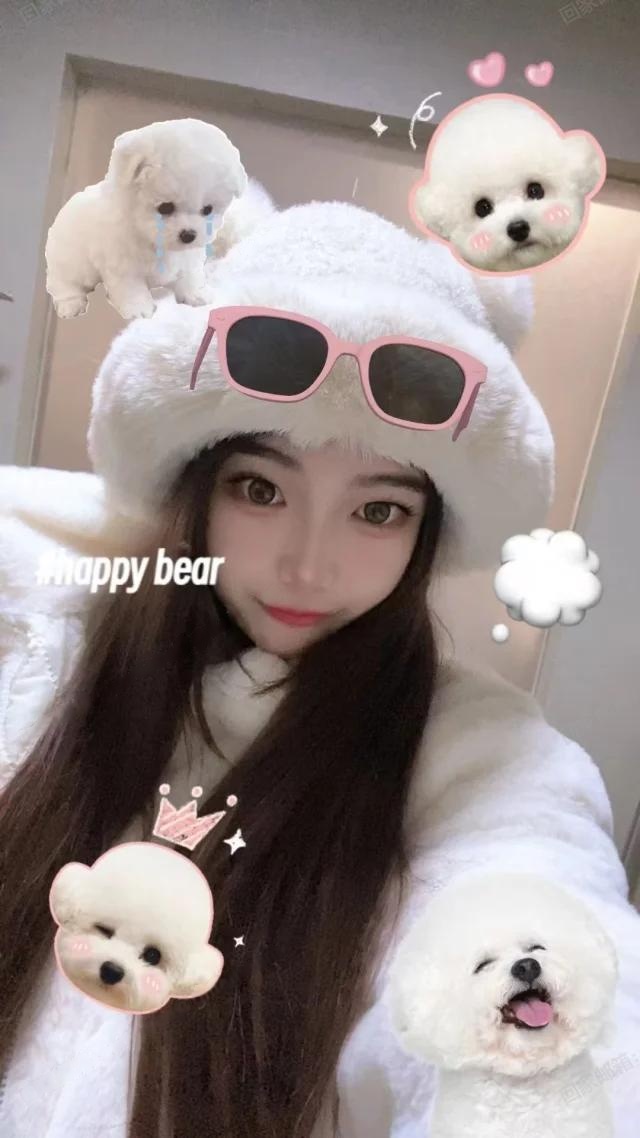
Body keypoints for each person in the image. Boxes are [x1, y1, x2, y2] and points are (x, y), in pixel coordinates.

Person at [0, 196, 639, 1138]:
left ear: (427, 533)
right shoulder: (45, 646)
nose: (308, 568)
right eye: (260, 488)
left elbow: (539, 937)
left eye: (379, 510)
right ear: (196, 488)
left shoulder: (474, 758)